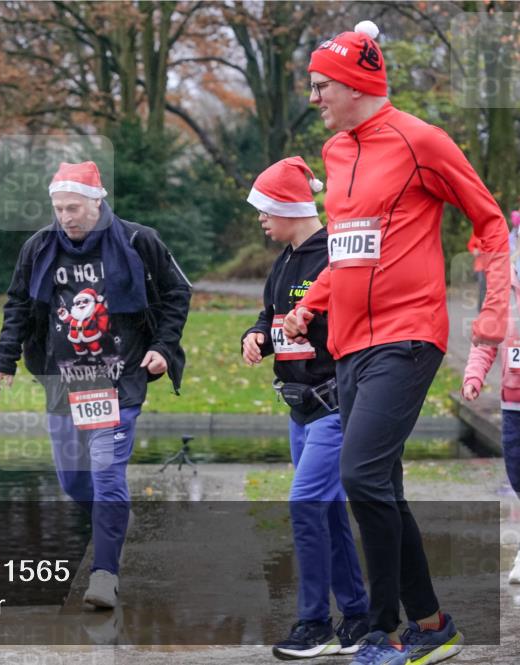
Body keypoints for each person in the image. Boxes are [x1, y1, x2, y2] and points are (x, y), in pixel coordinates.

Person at [283, 19, 509, 665]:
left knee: (358, 474)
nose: (316, 97)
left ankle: (379, 631)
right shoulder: (335, 152)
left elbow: (489, 218)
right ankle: (434, 624)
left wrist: (491, 318)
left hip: (409, 336)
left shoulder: (422, 141)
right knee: (382, 484)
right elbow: (350, 253)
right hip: (350, 345)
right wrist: (310, 308)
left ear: (357, 83)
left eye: (323, 85)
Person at [0, 161, 191, 608]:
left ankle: (104, 576)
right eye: (59, 208)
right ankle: (114, 517)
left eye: (74, 207)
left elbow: (177, 293)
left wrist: (163, 346)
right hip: (63, 378)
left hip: (119, 378)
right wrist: (3, 358)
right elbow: (18, 304)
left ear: (96, 203)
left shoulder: (139, 241)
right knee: (76, 484)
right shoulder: (40, 247)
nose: (66, 217)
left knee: (106, 472)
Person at [241, 156, 369, 659]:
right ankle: (355, 616)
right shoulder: (284, 260)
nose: (260, 219)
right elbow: (270, 316)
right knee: (328, 512)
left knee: (304, 504)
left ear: (290, 206)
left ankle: (314, 623)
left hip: (334, 405)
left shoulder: (333, 253)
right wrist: (256, 337)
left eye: (264, 208)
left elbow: (351, 319)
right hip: (299, 409)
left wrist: (307, 320)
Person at [461, 245, 520, 585]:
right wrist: (473, 377)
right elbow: (485, 341)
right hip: (513, 407)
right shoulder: (502, 292)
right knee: (517, 476)